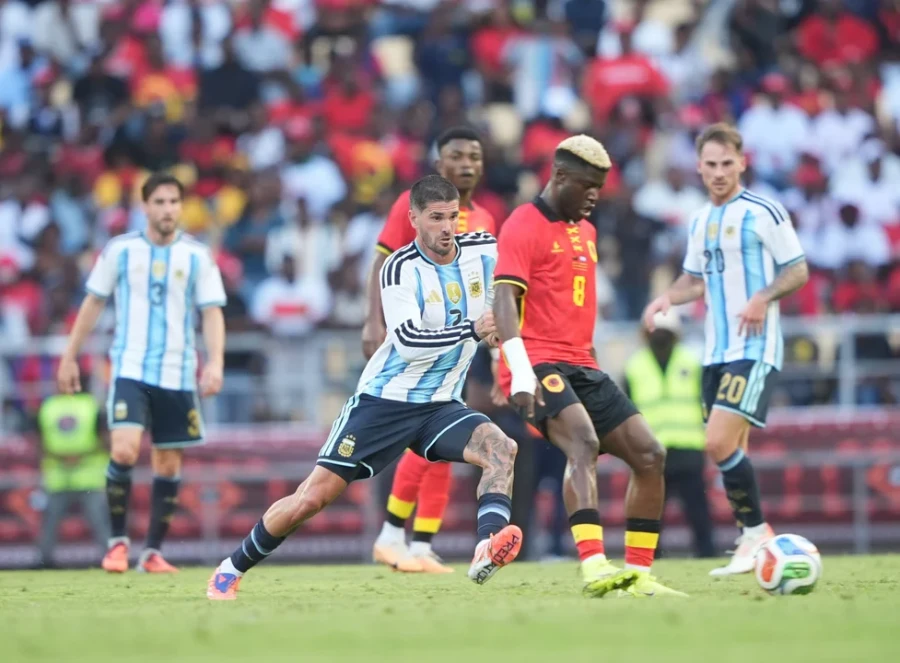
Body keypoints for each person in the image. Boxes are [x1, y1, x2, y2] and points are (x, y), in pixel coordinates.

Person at [207, 175, 522, 601]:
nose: (447, 227)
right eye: (435, 218)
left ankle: (486, 546)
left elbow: (518, 280)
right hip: (383, 403)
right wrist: (472, 328)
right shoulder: (400, 268)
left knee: (501, 448)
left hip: (440, 405)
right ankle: (231, 567)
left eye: (452, 217)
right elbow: (408, 342)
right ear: (413, 218)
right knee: (311, 499)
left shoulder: (483, 249)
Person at [494, 135, 685, 598]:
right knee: (583, 442)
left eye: (600, 187)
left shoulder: (587, 231)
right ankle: (595, 565)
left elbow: (575, 308)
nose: (595, 196)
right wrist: (518, 372)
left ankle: (638, 574)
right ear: (559, 177)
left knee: (650, 455)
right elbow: (503, 301)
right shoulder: (523, 223)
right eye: (587, 186)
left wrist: (595, 369)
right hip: (536, 361)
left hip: (583, 362)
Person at [643, 123, 809, 576]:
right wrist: (665, 299)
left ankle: (757, 533)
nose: (718, 172)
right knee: (732, 447)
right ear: (699, 167)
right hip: (714, 351)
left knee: (715, 441)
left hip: (753, 347)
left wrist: (762, 297)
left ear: (742, 162)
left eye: (726, 164)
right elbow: (693, 280)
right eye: (710, 165)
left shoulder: (763, 211)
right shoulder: (700, 220)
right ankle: (750, 542)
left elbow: (797, 269)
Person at [57, 173, 228, 574]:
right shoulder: (120, 251)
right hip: (130, 366)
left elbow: (212, 312)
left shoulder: (197, 256)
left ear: (181, 207)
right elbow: (93, 304)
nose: (168, 209)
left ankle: (151, 552)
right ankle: (117, 544)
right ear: (145, 206)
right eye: (160, 202)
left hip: (178, 371)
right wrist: (69, 356)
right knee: (124, 450)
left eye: (174, 202)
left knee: (168, 465)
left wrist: (216, 361)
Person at [365, 127, 497, 574]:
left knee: (445, 448)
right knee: (421, 444)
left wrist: (500, 361)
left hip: (468, 344)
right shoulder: (417, 206)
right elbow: (384, 259)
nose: (466, 164)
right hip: (421, 336)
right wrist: (373, 320)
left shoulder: (486, 220)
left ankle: (420, 544)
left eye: (474, 157)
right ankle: (393, 534)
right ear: (439, 163)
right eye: (456, 155)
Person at [624, 310, 715, 559]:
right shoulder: (634, 367)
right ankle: (648, 560)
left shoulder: (692, 363)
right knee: (651, 514)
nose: (660, 336)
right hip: (651, 454)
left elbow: (707, 404)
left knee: (699, 513)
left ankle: (707, 556)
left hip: (688, 450)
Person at [36, 372, 110, 569]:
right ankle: (44, 561)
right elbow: (38, 439)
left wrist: (72, 456)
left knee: (99, 522)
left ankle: (111, 559)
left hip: (87, 476)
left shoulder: (88, 405)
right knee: (49, 523)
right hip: (60, 476)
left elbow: (105, 439)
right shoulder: (51, 406)